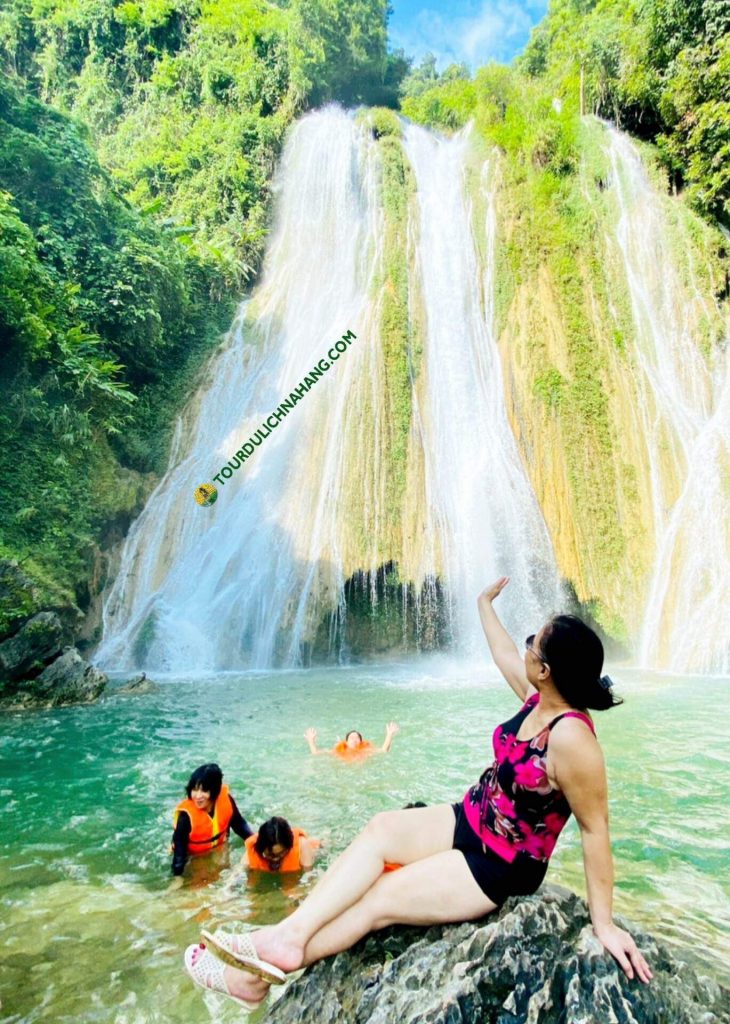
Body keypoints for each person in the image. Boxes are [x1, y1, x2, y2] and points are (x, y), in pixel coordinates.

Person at [183, 576, 652, 1005]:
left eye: (534, 642)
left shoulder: (572, 738)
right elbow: (503, 653)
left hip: (499, 865)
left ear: (546, 670)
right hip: (469, 818)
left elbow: (595, 829)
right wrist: (483, 603)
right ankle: (287, 936)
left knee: (382, 899)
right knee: (380, 830)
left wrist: (604, 923)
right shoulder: (538, 700)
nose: (525, 646)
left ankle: (266, 967)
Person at [169, 763, 253, 888]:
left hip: (220, 847)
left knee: (226, 877)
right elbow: (179, 856)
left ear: (214, 791)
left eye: (204, 790)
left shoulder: (226, 800)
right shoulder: (185, 818)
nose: (198, 796)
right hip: (194, 856)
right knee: (199, 885)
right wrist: (178, 879)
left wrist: (255, 841)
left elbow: (239, 824)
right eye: (194, 790)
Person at [304, 723, 399, 759]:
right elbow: (316, 753)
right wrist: (311, 741)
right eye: (351, 737)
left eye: (357, 737)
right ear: (346, 742)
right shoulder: (339, 751)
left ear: (361, 741)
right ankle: (338, 741)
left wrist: (389, 735)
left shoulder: (366, 750)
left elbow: (383, 750)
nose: (354, 739)